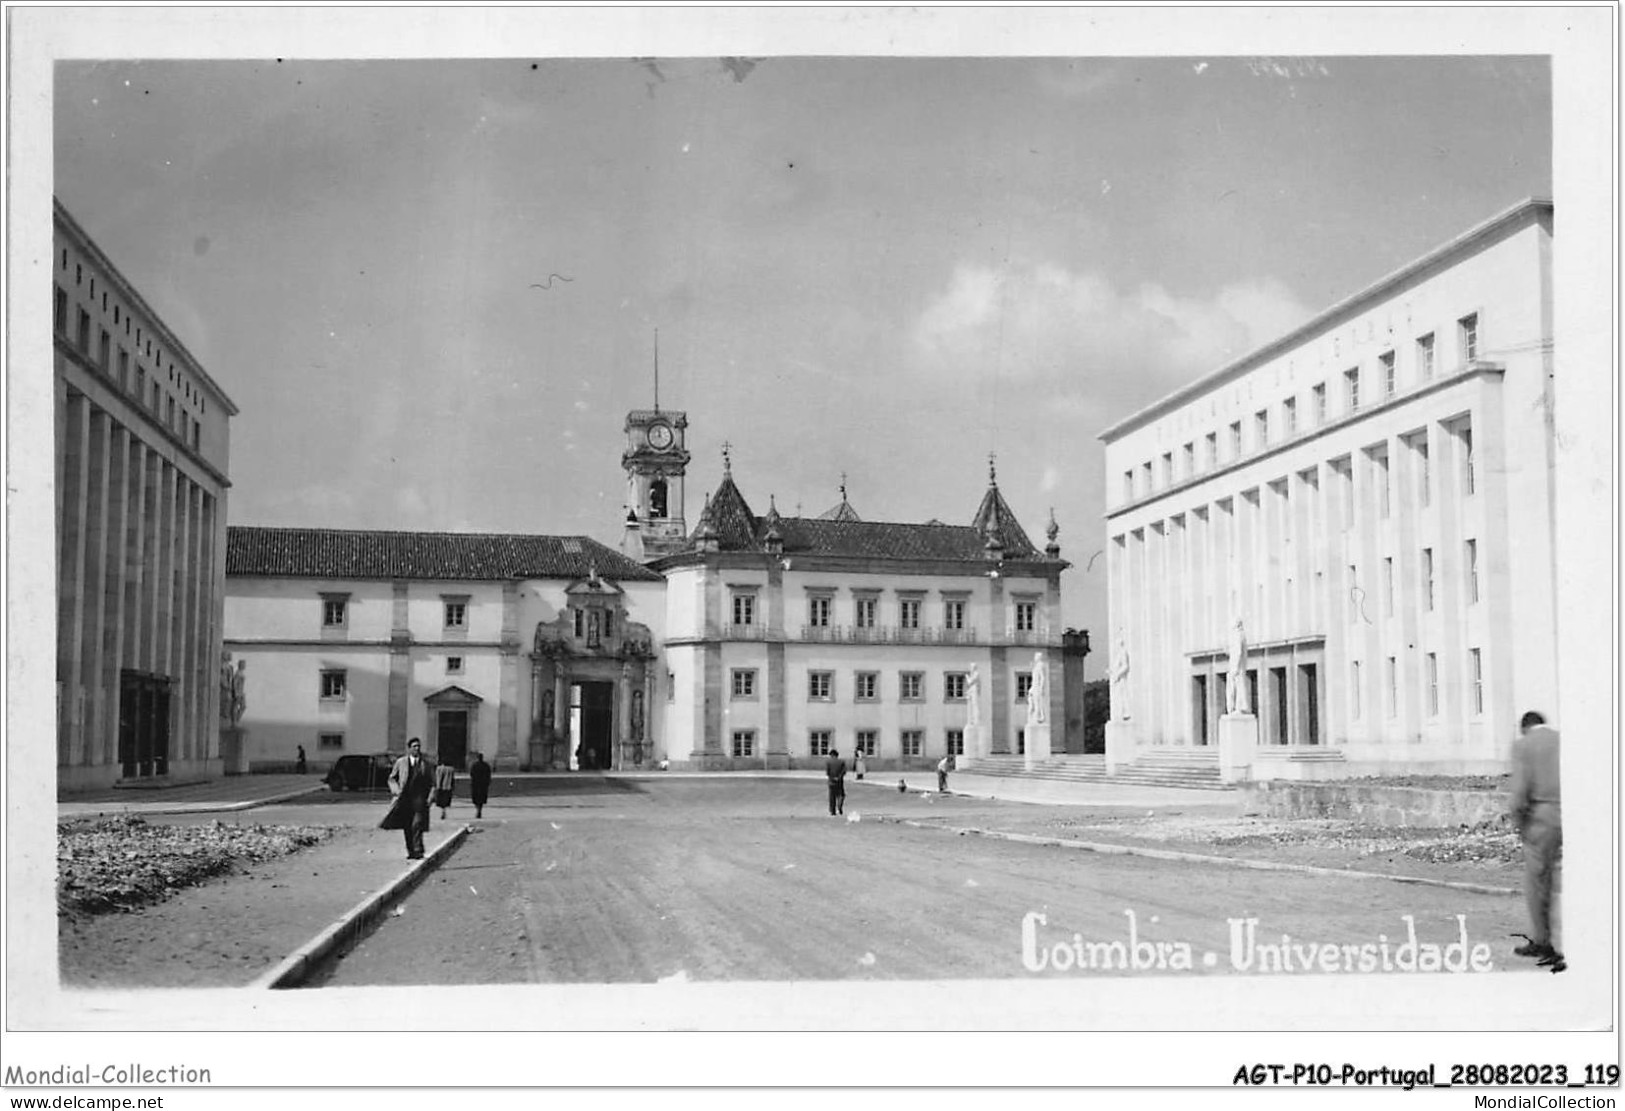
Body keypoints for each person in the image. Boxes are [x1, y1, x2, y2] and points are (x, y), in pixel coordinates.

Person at [1508, 710, 1562, 965]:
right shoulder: (1562, 739)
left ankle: (1542, 942)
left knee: (1537, 884)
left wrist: (1520, 825)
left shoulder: (1523, 746)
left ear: (1525, 728)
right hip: (1569, 815)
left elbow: (1519, 794)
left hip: (1541, 820)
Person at [380, 738, 434, 860]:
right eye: (414, 746)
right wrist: (396, 791)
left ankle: (418, 849)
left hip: (420, 799)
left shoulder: (426, 764)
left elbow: (433, 783)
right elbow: (392, 778)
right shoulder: (401, 762)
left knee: (417, 824)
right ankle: (411, 851)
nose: (417, 748)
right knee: (407, 826)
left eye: (418, 746)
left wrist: (430, 798)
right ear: (409, 748)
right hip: (405, 799)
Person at [469, 751, 492, 819]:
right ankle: (480, 809)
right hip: (483, 784)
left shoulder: (474, 765)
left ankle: (478, 809)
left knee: (476, 798)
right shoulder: (486, 765)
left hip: (476, 783)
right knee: (482, 798)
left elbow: (471, 774)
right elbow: (488, 774)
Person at [825, 747, 847, 816]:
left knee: (832, 796)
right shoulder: (841, 761)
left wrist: (832, 777)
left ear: (831, 755)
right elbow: (844, 771)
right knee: (841, 795)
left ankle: (832, 811)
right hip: (839, 781)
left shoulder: (828, 762)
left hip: (831, 781)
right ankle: (839, 806)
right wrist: (838, 777)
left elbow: (827, 772)